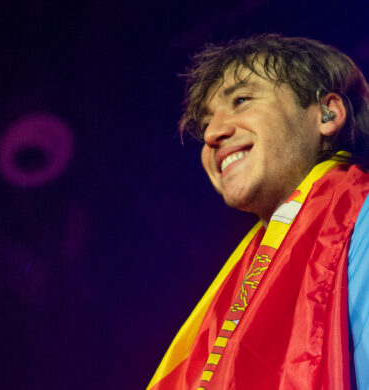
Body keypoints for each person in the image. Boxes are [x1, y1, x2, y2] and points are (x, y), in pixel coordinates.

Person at [148, 34, 369, 389]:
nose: (212, 134)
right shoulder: (239, 280)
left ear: (327, 113)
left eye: (241, 100)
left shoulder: (361, 220)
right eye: (205, 124)